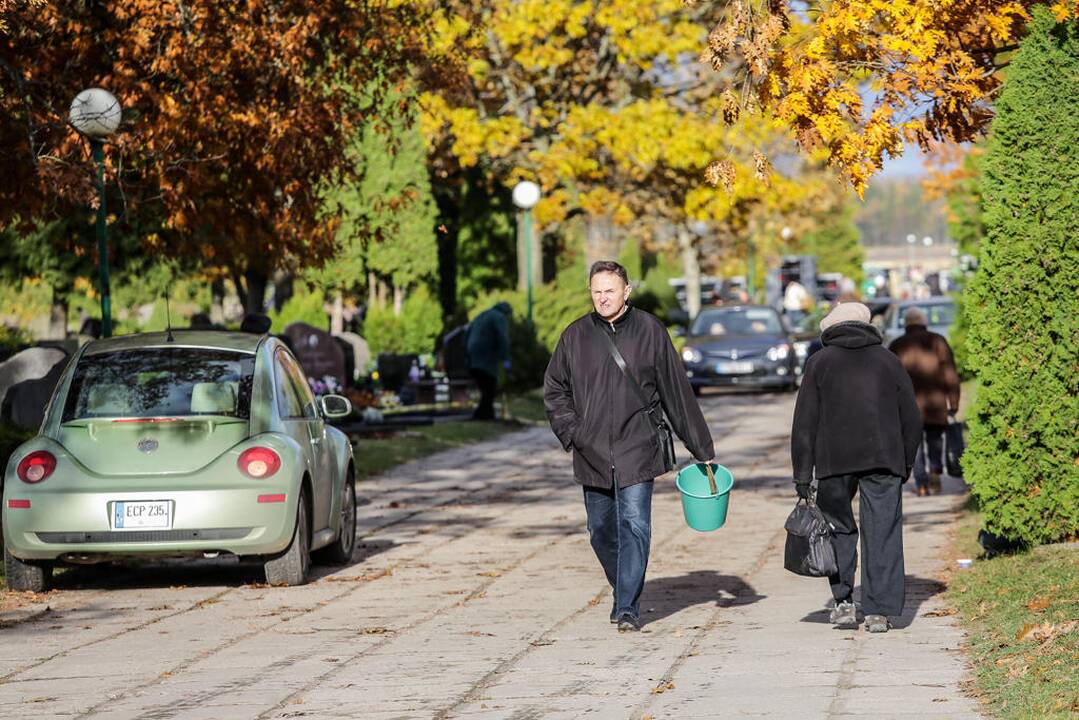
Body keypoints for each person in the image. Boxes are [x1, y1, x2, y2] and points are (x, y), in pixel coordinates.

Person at [544, 261, 714, 633]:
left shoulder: (651, 331)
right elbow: (555, 390)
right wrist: (574, 433)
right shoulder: (575, 336)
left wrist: (701, 448)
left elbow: (675, 392)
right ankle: (625, 586)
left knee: (635, 524)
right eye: (596, 291)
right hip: (591, 451)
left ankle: (627, 608)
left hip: (638, 444)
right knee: (600, 530)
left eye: (610, 290)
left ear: (627, 291)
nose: (603, 298)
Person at [791, 302, 921, 633]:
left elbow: (804, 424)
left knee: (837, 528)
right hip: (884, 458)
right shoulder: (888, 361)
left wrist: (803, 476)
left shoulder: (819, 363)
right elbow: (911, 417)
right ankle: (880, 610)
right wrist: (904, 464)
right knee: (883, 530)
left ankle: (844, 602)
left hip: (834, 461)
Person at [888, 307, 961, 496]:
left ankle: (921, 484)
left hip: (907, 407)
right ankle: (935, 472)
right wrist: (953, 402)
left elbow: (888, 378)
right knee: (935, 439)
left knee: (914, 445)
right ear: (924, 322)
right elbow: (949, 373)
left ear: (906, 324)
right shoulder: (938, 341)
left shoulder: (897, 345)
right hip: (935, 403)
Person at [466, 302, 511, 420]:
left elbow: (467, 332)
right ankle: (480, 414)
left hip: (472, 354)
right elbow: (503, 338)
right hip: (486, 355)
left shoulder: (482, 315)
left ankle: (487, 414)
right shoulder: (499, 317)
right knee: (490, 385)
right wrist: (506, 361)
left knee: (485, 386)